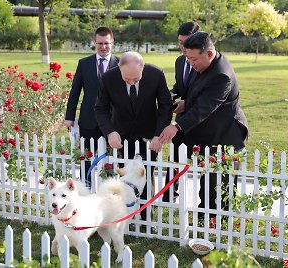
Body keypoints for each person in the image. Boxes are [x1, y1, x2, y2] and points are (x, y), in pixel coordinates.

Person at [159, 32, 249, 221]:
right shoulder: (202, 65)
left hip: (225, 135)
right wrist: (185, 104)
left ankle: (217, 222)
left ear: (208, 54)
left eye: (193, 59)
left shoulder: (221, 75)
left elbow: (205, 108)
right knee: (206, 179)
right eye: (187, 58)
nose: (190, 63)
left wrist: (176, 126)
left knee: (218, 185)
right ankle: (204, 216)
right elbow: (196, 95)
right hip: (207, 133)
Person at [95, 51, 172, 221]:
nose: (131, 82)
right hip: (121, 137)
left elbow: (165, 106)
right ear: (119, 69)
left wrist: (158, 135)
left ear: (142, 68)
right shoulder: (108, 78)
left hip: (149, 137)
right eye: (126, 79)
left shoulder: (156, 75)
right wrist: (109, 132)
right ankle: (123, 218)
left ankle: (146, 220)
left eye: (135, 79)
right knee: (123, 177)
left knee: (146, 174)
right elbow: (100, 108)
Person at [64, 27, 119, 187]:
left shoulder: (120, 63)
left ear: (112, 42)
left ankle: (109, 191)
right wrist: (69, 116)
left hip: (112, 121)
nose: (103, 47)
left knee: (111, 159)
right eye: (100, 43)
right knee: (86, 159)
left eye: (106, 43)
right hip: (88, 119)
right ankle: (86, 189)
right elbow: (75, 91)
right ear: (94, 43)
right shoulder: (84, 63)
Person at [162, 21, 201, 202]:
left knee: (203, 162)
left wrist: (188, 103)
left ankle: (205, 200)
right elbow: (180, 86)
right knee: (175, 158)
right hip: (181, 119)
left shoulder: (203, 62)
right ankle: (170, 193)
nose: (183, 47)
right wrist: (170, 94)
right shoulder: (179, 61)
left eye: (187, 42)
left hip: (201, 119)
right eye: (180, 42)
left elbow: (204, 93)